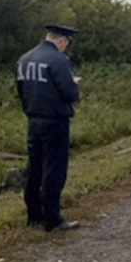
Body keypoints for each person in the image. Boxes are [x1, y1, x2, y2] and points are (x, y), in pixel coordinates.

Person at [16, 24, 81, 232]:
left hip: (33, 120)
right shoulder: (58, 60)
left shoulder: (25, 59)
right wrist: (76, 87)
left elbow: (21, 91)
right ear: (62, 41)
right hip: (55, 121)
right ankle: (53, 219)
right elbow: (70, 92)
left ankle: (33, 215)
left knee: (34, 169)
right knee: (54, 170)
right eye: (67, 44)